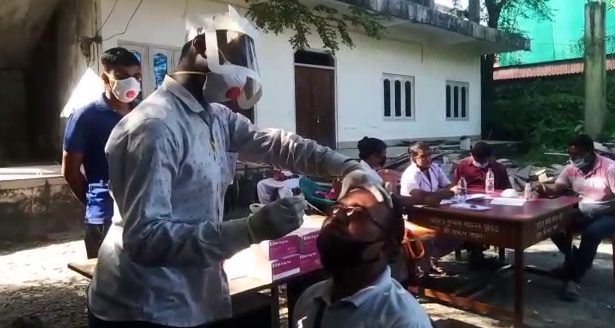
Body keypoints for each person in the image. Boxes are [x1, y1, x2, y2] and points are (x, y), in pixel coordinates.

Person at [86, 9, 388, 328]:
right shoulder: (155, 127)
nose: (242, 73)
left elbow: (276, 144)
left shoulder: (216, 117)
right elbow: (146, 239)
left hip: (191, 295)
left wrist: (345, 165)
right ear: (201, 47)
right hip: (143, 307)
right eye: (236, 56)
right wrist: (249, 230)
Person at [292, 187, 433, 328]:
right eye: (337, 208)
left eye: (357, 213)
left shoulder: (401, 321)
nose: (337, 216)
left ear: (385, 245)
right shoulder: (309, 300)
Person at [61, 47, 141, 259]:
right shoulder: (85, 117)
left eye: (136, 76)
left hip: (144, 215)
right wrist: (95, 202)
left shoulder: (146, 112)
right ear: (106, 77)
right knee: (107, 287)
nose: (131, 82)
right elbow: (70, 172)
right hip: (104, 220)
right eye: (123, 76)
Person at [536, 134, 615, 301]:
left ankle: (573, 278)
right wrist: (546, 190)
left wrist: (598, 212)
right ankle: (576, 262)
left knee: (592, 232)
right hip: (586, 209)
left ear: (590, 153)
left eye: (577, 156)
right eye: (571, 155)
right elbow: (559, 187)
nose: (574, 159)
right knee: (551, 223)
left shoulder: (610, 169)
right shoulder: (571, 169)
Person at [399, 142, 460, 273]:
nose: (428, 159)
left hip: (435, 211)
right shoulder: (410, 174)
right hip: (416, 215)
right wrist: (442, 194)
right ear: (413, 158)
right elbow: (420, 196)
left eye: (429, 155)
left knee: (459, 232)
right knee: (447, 232)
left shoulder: (435, 168)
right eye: (423, 156)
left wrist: (453, 189)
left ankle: (433, 256)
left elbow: (448, 185)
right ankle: (425, 264)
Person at [453, 141, 510, 265]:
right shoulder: (463, 166)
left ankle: (479, 252)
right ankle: (475, 252)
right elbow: (455, 187)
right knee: (469, 221)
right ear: (471, 155)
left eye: (484, 160)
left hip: (493, 205)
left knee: (493, 223)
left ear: (490, 157)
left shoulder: (498, 168)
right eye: (478, 160)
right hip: (468, 204)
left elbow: (507, 190)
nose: (481, 163)